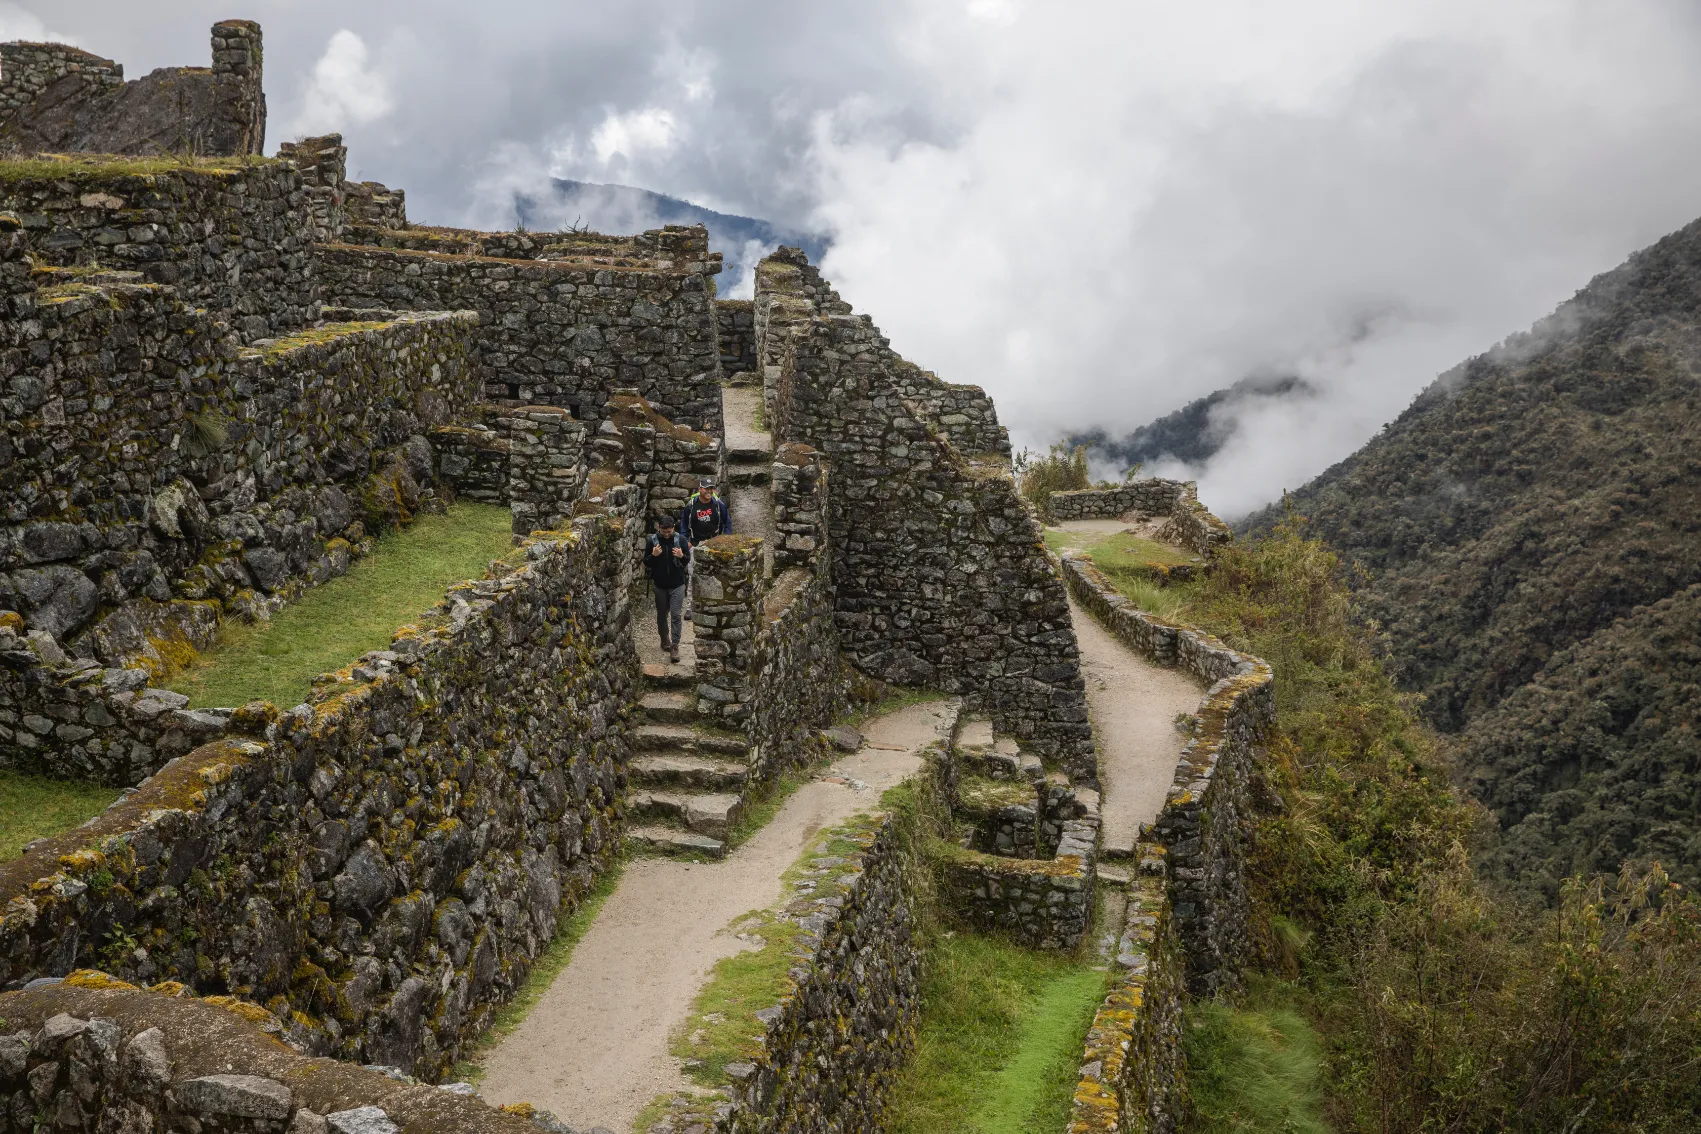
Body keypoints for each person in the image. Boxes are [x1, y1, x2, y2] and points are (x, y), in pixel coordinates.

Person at [680, 476, 730, 619]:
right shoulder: (691, 506)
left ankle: (713, 606)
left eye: (711, 488)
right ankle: (691, 607)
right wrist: (686, 542)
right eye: (706, 488)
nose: (709, 491)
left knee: (715, 575)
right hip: (695, 544)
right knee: (692, 575)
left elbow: (727, 522)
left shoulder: (718, 505)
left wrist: (724, 540)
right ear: (700, 489)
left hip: (713, 544)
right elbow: (684, 524)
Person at [645, 515, 690, 663]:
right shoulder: (651, 541)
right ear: (659, 527)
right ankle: (664, 639)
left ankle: (675, 646)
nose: (666, 534)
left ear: (673, 529)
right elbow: (646, 562)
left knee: (676, 615)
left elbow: (687, 560)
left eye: (669, 531)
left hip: (677, 584)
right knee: (662, 614)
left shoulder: (681, 540)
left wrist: (682, 556)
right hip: (660, 585)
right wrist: (653, 555)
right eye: (664, 531)